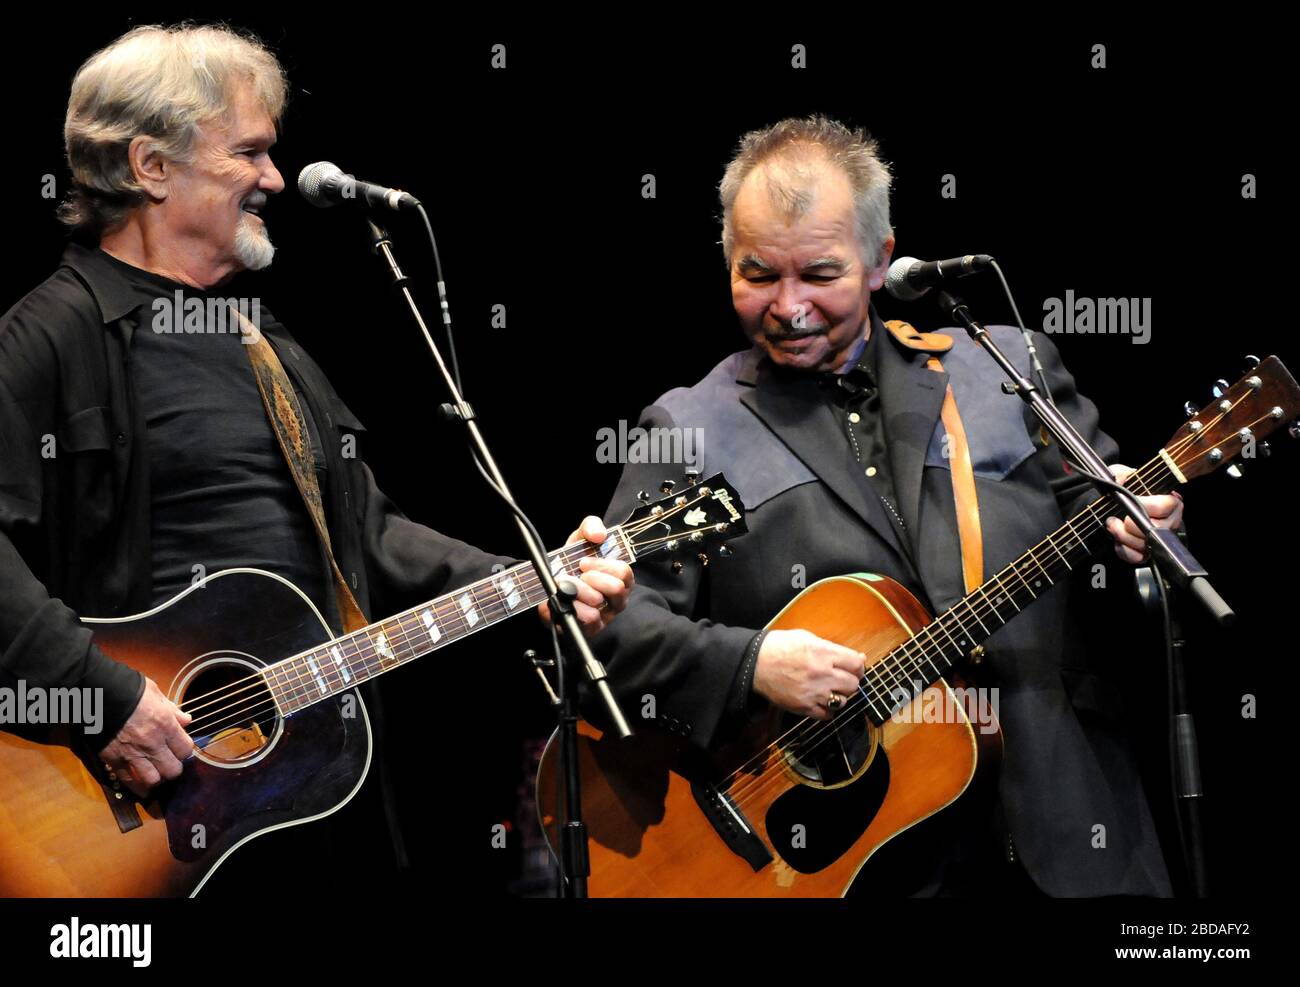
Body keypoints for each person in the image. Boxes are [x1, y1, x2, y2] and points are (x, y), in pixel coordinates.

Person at [0, 23, 632, 879]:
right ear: (151, 167)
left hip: (300, 800)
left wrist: (532, 581)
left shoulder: (266, 342)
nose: (272, 179)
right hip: (128, 825)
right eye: (250, 153)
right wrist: (102, 698)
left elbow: (370, 534)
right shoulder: (45, 337)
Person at [588, 115, 1182, 897]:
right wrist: (750, 664)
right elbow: (611, 628)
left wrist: (1145, 530)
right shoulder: (691, 429)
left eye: (820, 274)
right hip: (855, 861)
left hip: (1066, 832)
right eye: (758, 274)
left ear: (881, 260)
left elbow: (1105, 517)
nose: (789, 306)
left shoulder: (1005, 371)